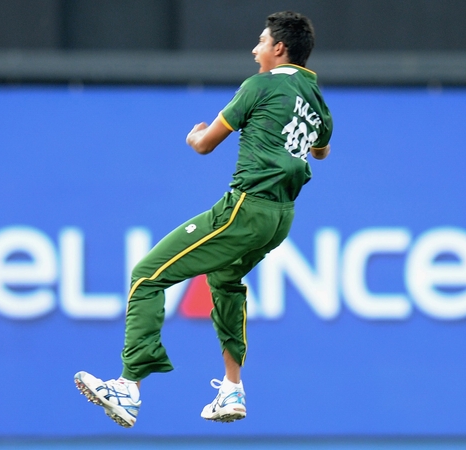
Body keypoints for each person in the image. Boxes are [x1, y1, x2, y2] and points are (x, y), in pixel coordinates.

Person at [74, 10, 333, 428]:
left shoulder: (261, 85)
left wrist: (194, 134)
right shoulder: (316, 99)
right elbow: (321, 148)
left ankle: (129, 386)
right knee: (225, 280)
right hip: (280, 218)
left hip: (245, 208)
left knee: (147, 274)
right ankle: (232, 388)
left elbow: (205, 144)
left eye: (262, 42)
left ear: (279, 48)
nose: (255, 49)